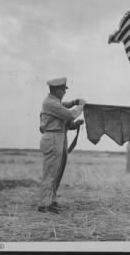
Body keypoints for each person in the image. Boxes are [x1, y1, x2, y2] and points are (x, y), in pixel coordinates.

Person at [38, 77, 86, 214]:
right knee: (50, 173)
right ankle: (44, 204)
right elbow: (70, 114)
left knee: (56, 172)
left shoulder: (54, 103)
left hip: (58, 137)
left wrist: (75, 124)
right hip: (53, 138)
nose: (64, 92)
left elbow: (65, 115)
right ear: (57, 90)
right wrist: (81, 105)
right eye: (63, 89)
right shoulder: (51, 103)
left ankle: (51, 201)